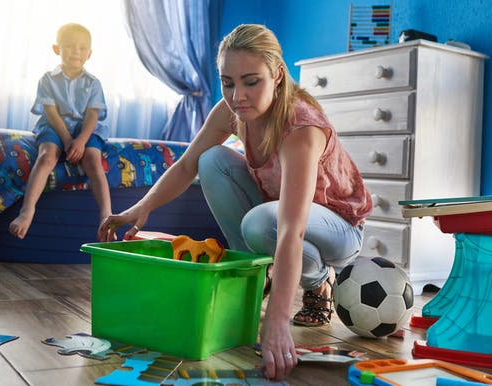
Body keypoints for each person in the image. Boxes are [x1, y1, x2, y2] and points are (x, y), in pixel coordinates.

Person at [97, 24, 372, 381]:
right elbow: (185, 166)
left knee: (261, 223)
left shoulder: (301, 129)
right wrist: (141, 208)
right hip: (277, 214)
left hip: (340, 227)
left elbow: (292, 230)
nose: (237, 96)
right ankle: (256, 277)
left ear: (277, 76)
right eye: (228, 82)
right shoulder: (232, 112)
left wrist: (276, 323)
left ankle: (319, 281)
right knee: (211, 160)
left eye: (250, 81)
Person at [9, 23, 112, 240]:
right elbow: (51, 112)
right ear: (57, 49)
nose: (76, 51)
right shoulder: (47, 80)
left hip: (85, 129)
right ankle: (27, 210)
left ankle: (106, 216)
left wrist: (81, 141)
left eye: (82, 48)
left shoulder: (94, 83)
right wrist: (67, 140)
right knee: (47, 156)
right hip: (55, 126)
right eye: (70, 46)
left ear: (90, 54)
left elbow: (92, 115)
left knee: (93, 160)